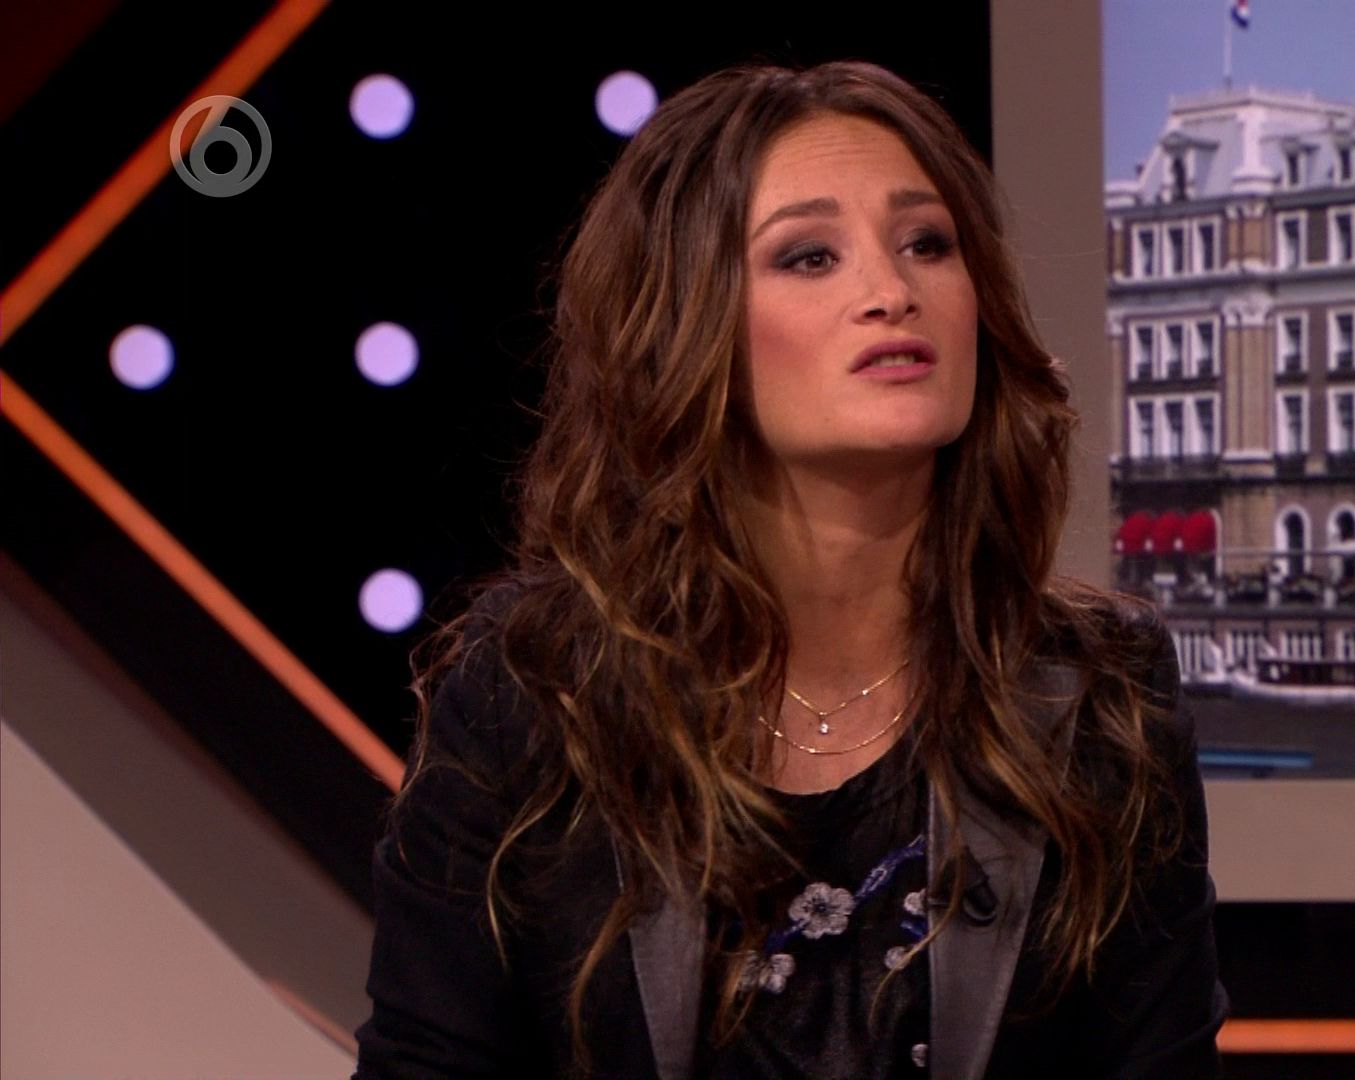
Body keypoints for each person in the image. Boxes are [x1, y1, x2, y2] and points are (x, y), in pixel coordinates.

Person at [352, 60, 1227, 1080]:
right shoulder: (533, 693)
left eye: (928, 244)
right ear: (684, 323)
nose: (893, 294)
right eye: (810, 257)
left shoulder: (1100, 697)